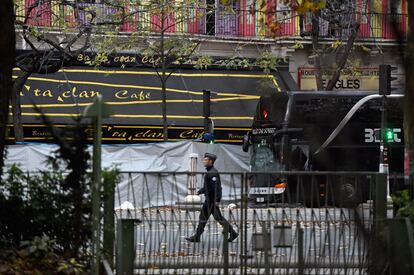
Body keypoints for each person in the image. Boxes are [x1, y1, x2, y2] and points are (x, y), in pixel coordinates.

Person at [185, 153, 239, 243]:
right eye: (204, 159)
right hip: (209, 200)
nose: (204, 161)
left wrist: (217, 200)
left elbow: (217, 187)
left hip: (211, 200)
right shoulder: (210, 172)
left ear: (211, 161)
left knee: (212, 218)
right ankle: (197, 237)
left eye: (206, 160)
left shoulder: (212, 172)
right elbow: (208, 187)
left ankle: (232, 233)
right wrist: (199, 192)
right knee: (209, 218)